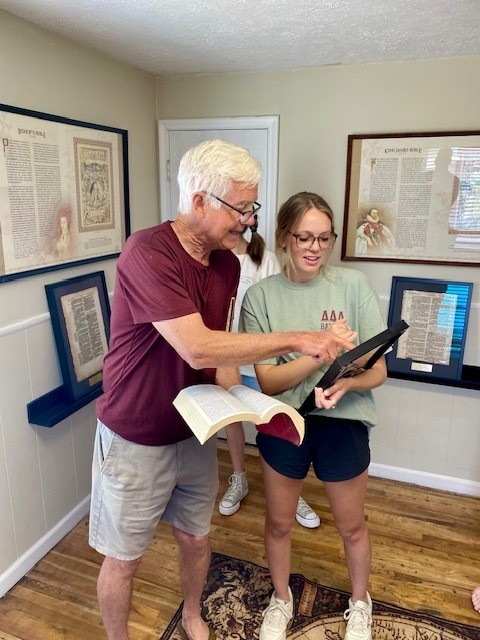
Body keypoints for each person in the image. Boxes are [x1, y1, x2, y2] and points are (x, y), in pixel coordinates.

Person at [88, 143, 354, 640]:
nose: (250, 221)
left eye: (253, 207)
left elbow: (222, 353)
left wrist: (249, 404)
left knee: (195, 537)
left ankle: (192, 614)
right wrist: (298, 338)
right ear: (199, 201)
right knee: (123, 559)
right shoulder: (147, 252)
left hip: (193, 429)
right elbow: (197, 347)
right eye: (241, 208)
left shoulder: (227, 265)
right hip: (136, 436)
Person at [240, 191, 388, 640]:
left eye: (325, 238)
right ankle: (281, 599)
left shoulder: (353, 286)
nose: (315, 248)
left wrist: (346, 383)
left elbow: (378, 371)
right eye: (305, 237)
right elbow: (269, 382)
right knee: (279, 522)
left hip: (343, 423)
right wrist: (321, 349)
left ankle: (360, 602)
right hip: (285, 422)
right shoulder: (260, 297)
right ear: (284, 237)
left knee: (351, 525)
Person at [219, 218, 321, 529]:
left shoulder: (264, 259)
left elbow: (277, 311)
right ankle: (239, 478)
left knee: (277, 426)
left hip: (263, 362)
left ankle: (290, 492)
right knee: (233, 422)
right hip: (227, 359)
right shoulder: (214, 259)